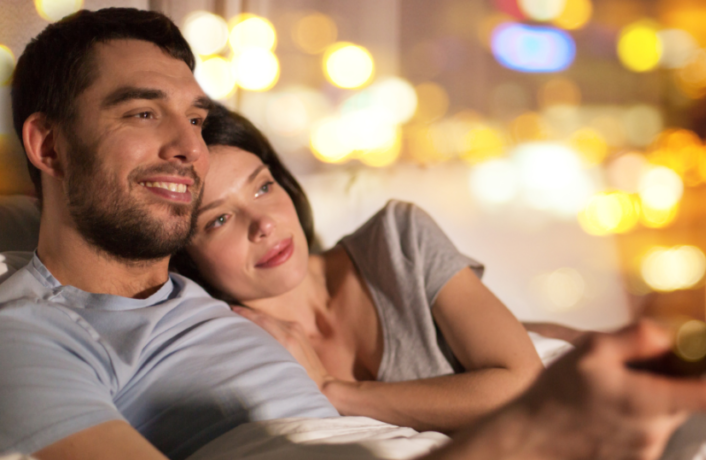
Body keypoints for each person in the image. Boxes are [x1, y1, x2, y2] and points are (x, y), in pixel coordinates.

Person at [0, 8, 706, 460]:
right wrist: (528, 438)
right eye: (141, 115)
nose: (187, 148)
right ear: (50, 146)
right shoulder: (28, 334)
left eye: (194, 119)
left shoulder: (210, 291)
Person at [171, 105, 544, 433]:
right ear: (186, 255)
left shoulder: (398, 241)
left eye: (263, 188)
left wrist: (336, 391)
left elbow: (523, 384)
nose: (263, 224)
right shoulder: (223, 345)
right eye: (219, 219)